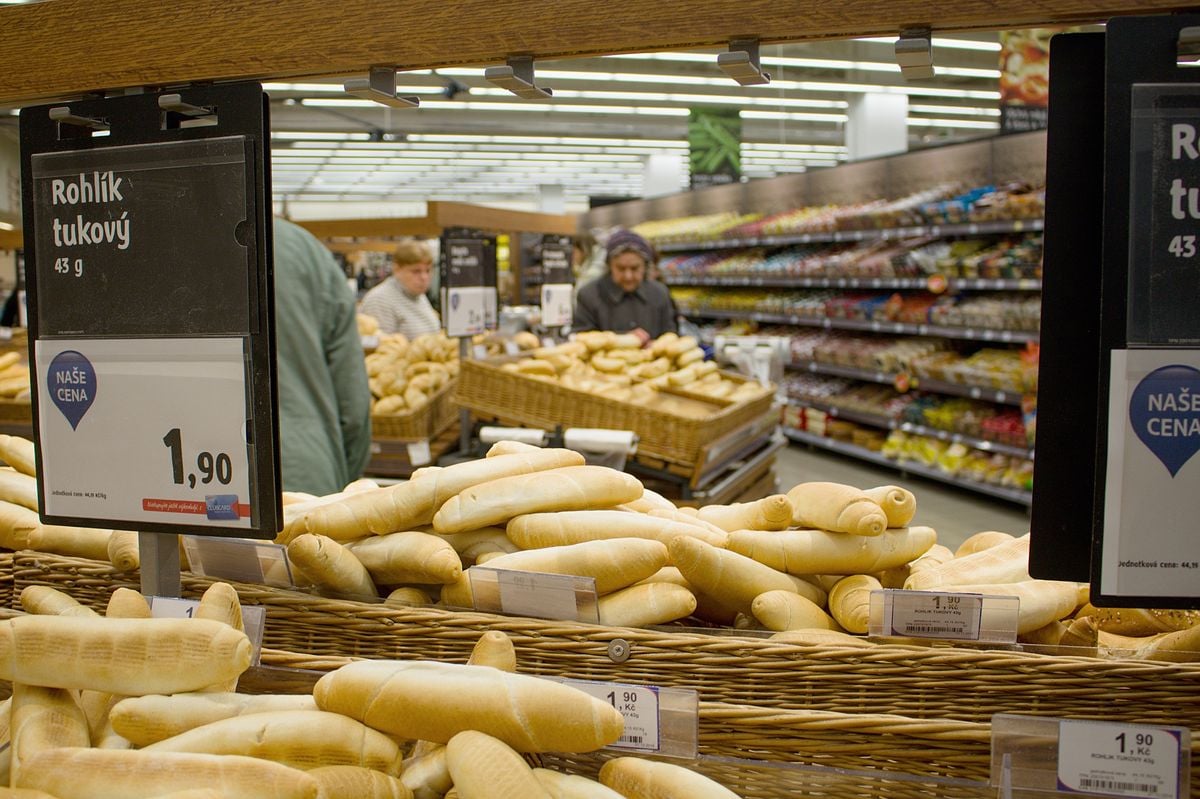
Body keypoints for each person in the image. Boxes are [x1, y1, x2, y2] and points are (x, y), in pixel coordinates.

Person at [273, 217, 372, 496]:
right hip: (299, 474)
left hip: (176, 484)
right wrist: (346, 477)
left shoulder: (148, 234)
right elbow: (352, 400)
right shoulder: (303, 249)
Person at [573, 228, 678, 341]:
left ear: (645, 266)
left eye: (635, 268)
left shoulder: (659, 293)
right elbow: (582, 338)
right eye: (620, 268)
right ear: (609, 266)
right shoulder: (589, 295)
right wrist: (623, 340)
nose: (628, 276)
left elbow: (670, 335)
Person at [359, 239, 442, 339]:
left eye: (428, 270)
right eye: (416, 271)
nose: (424, 277)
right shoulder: (379, 300)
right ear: (397, 269)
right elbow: (384, 348)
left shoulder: (417, 295)